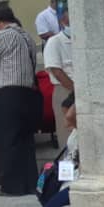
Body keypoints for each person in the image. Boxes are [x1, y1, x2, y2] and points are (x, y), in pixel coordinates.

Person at [0, 3, 40, 197]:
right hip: (26, 92)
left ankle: (11, 185)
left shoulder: (4, 35)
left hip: (6, 92)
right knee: (24, 140)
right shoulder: (26, 36)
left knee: (7, 139)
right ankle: (29, 183)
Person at [43, 9, 74, 150]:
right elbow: (56, 71)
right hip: (65, 90)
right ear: (63, 23)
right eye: (69, 22)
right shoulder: (54, 42)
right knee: (66, 133)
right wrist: (75, 91)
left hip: (81, 91)